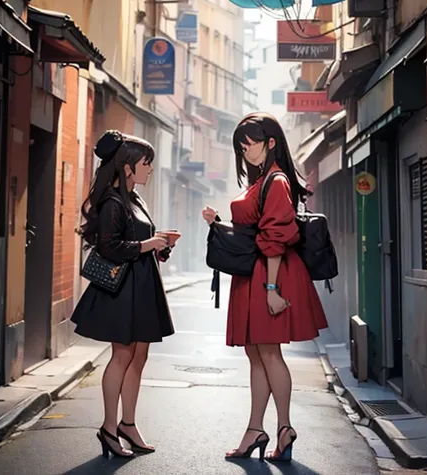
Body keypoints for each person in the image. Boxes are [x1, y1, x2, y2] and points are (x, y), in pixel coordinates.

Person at [202, 113, 327, 462]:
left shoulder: (276, 181)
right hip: (256, 274)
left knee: (269, 354)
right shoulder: (265, 181)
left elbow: (275, 237)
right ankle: (256, 429)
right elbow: (256, 232)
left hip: (269, 276)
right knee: (256, 354)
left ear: (271, 143)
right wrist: (220, 225)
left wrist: (272, 288)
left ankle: (283, 427)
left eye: (250, 144)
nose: (245, 151)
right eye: (241, 146)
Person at [72, 130, 177, 459]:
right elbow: (109, 246)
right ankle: (108, 427)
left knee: (139, 356)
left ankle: (128, 424)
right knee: (122, 355)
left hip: (143, 284)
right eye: (146, 164)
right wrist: (148, 244)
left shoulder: (136, 200)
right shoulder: (113, 202)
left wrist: (160, 247)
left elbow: (138, 241)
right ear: (127, 168)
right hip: (122, 288)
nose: (150, 169)